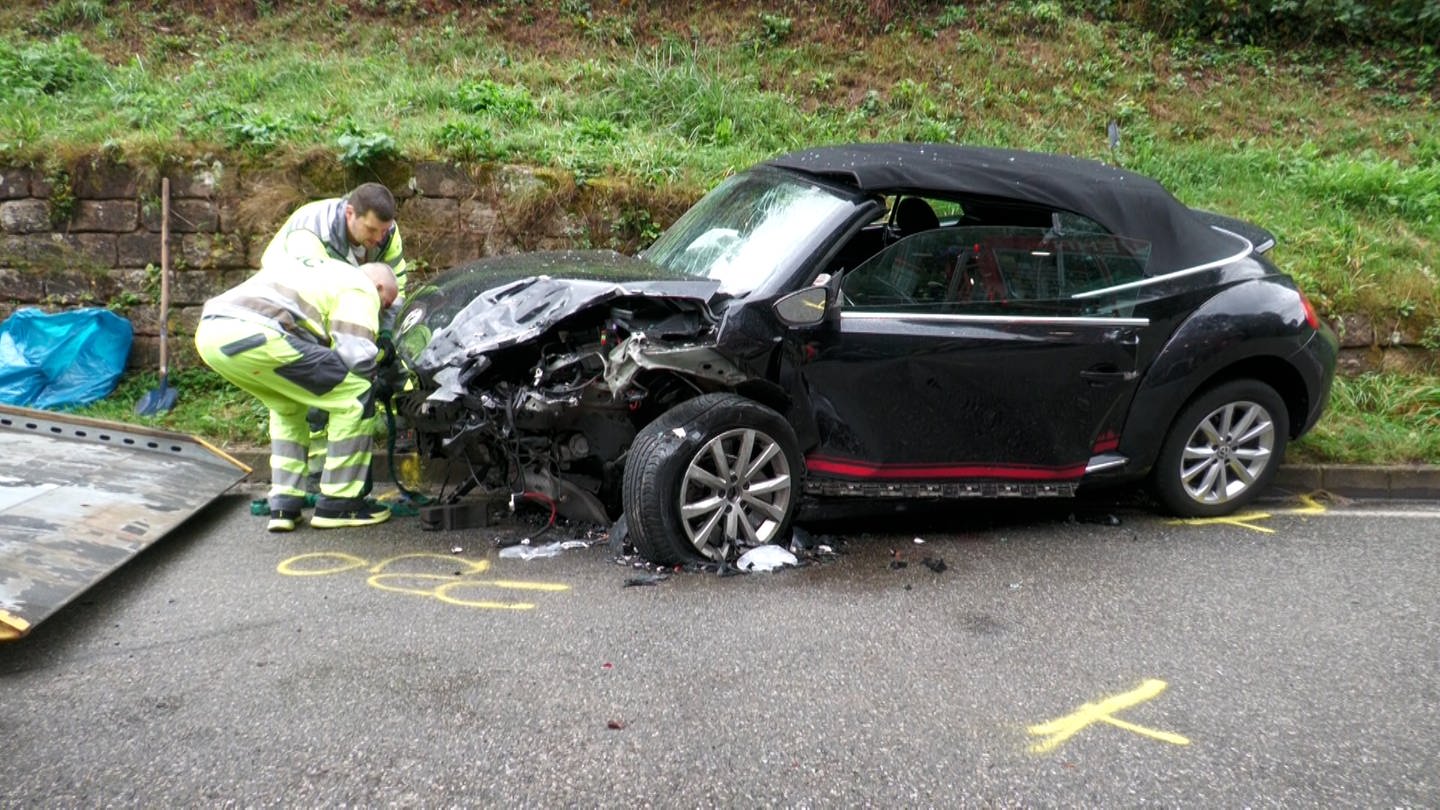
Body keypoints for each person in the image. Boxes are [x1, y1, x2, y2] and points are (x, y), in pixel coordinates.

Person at [195, 258, 399, 531]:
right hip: (258, 334)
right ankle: (340, 503)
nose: (383, 310)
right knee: (355, 393)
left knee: (288, 406)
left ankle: (285, 504)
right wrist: (380, 371)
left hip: (212, 335)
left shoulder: (321, 273)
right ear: (378, 285)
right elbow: (355, 355)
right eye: (385, 302)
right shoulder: (361, 286)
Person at [260, 182, 409, 495]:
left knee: (374, 364)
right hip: (293, 311)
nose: (378, 239)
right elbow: (310, 300)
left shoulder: (386, 234)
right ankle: (314, 470)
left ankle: (405, 422)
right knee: (317, 382)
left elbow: (394, 290)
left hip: (346, 301)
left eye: (383, 231)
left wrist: (383, 337)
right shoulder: (310, 234)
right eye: (371, 230)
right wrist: (350, 350)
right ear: (350, 213)